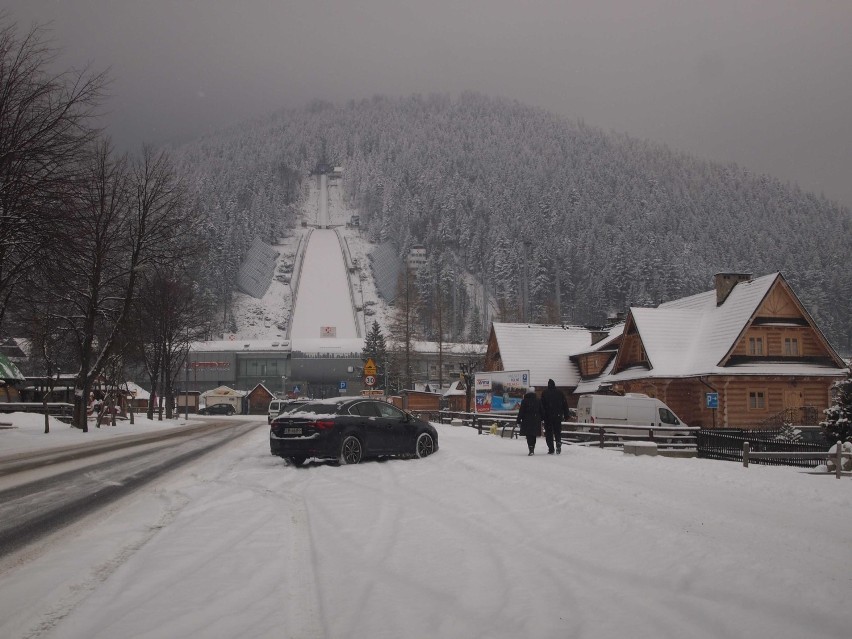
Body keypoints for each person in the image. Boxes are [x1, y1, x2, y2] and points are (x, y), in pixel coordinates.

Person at [540, 378, 570, 454]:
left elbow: (542, 406)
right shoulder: (560, 393)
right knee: (557, 431)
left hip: (548, 417)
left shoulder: (545, 393)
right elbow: (565, 405)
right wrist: (566, 415)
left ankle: (551, 448)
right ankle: (558, 442)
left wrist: (541, 416)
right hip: (558, 416)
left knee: (549, 433)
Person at [516, 386, 543, 455]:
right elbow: (542, 411)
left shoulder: (524, 401)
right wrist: (542, 419)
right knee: (534, 435)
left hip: (526, 420)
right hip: (536, 420)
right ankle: (532, 447)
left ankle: (530, 448)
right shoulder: (538, 400)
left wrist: (518, 420)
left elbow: (521, 411)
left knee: (528, 435)